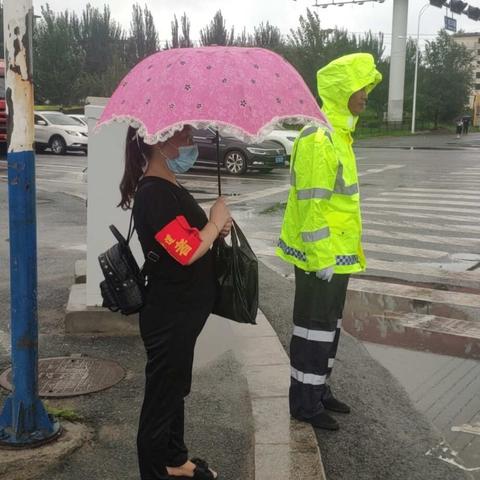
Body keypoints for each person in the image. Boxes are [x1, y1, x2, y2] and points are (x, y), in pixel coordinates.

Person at [118, 125, 232, 480]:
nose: (190, 142)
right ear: (159, 140)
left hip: (182, 311)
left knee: (174, 389)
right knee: (161, 399)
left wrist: (215, 229)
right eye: (183, 136)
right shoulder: (154, 192)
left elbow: (186, 238)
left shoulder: (167, 185)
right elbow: (185, 253)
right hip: (170, 314)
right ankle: (154, 471)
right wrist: (213, 225)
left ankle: (174, 458)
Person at [276, 53, 382, 431]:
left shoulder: (339, 134)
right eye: (361, 87)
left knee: (328, 327)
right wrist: (321, 258)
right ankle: (303, 403)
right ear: (342, 91)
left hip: (337, 257)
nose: (366, 94)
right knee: (312, 328)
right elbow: (312, 206)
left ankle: (319, 390)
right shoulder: (320, 138)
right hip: (319, 258)